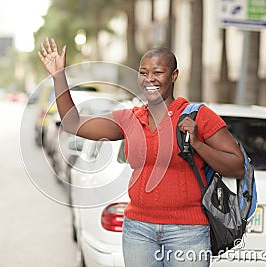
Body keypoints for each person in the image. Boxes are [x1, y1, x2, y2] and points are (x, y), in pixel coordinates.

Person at [38, 37, 245, 267]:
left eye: (157, 72)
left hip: (188, 232)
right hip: (139, 230)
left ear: (174, 76)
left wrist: (198, 144)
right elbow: (72, 123)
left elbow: (237, 166)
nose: (149, 79)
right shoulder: (130, 118)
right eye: (143, 72)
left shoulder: (198, 116)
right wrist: (59, 77)